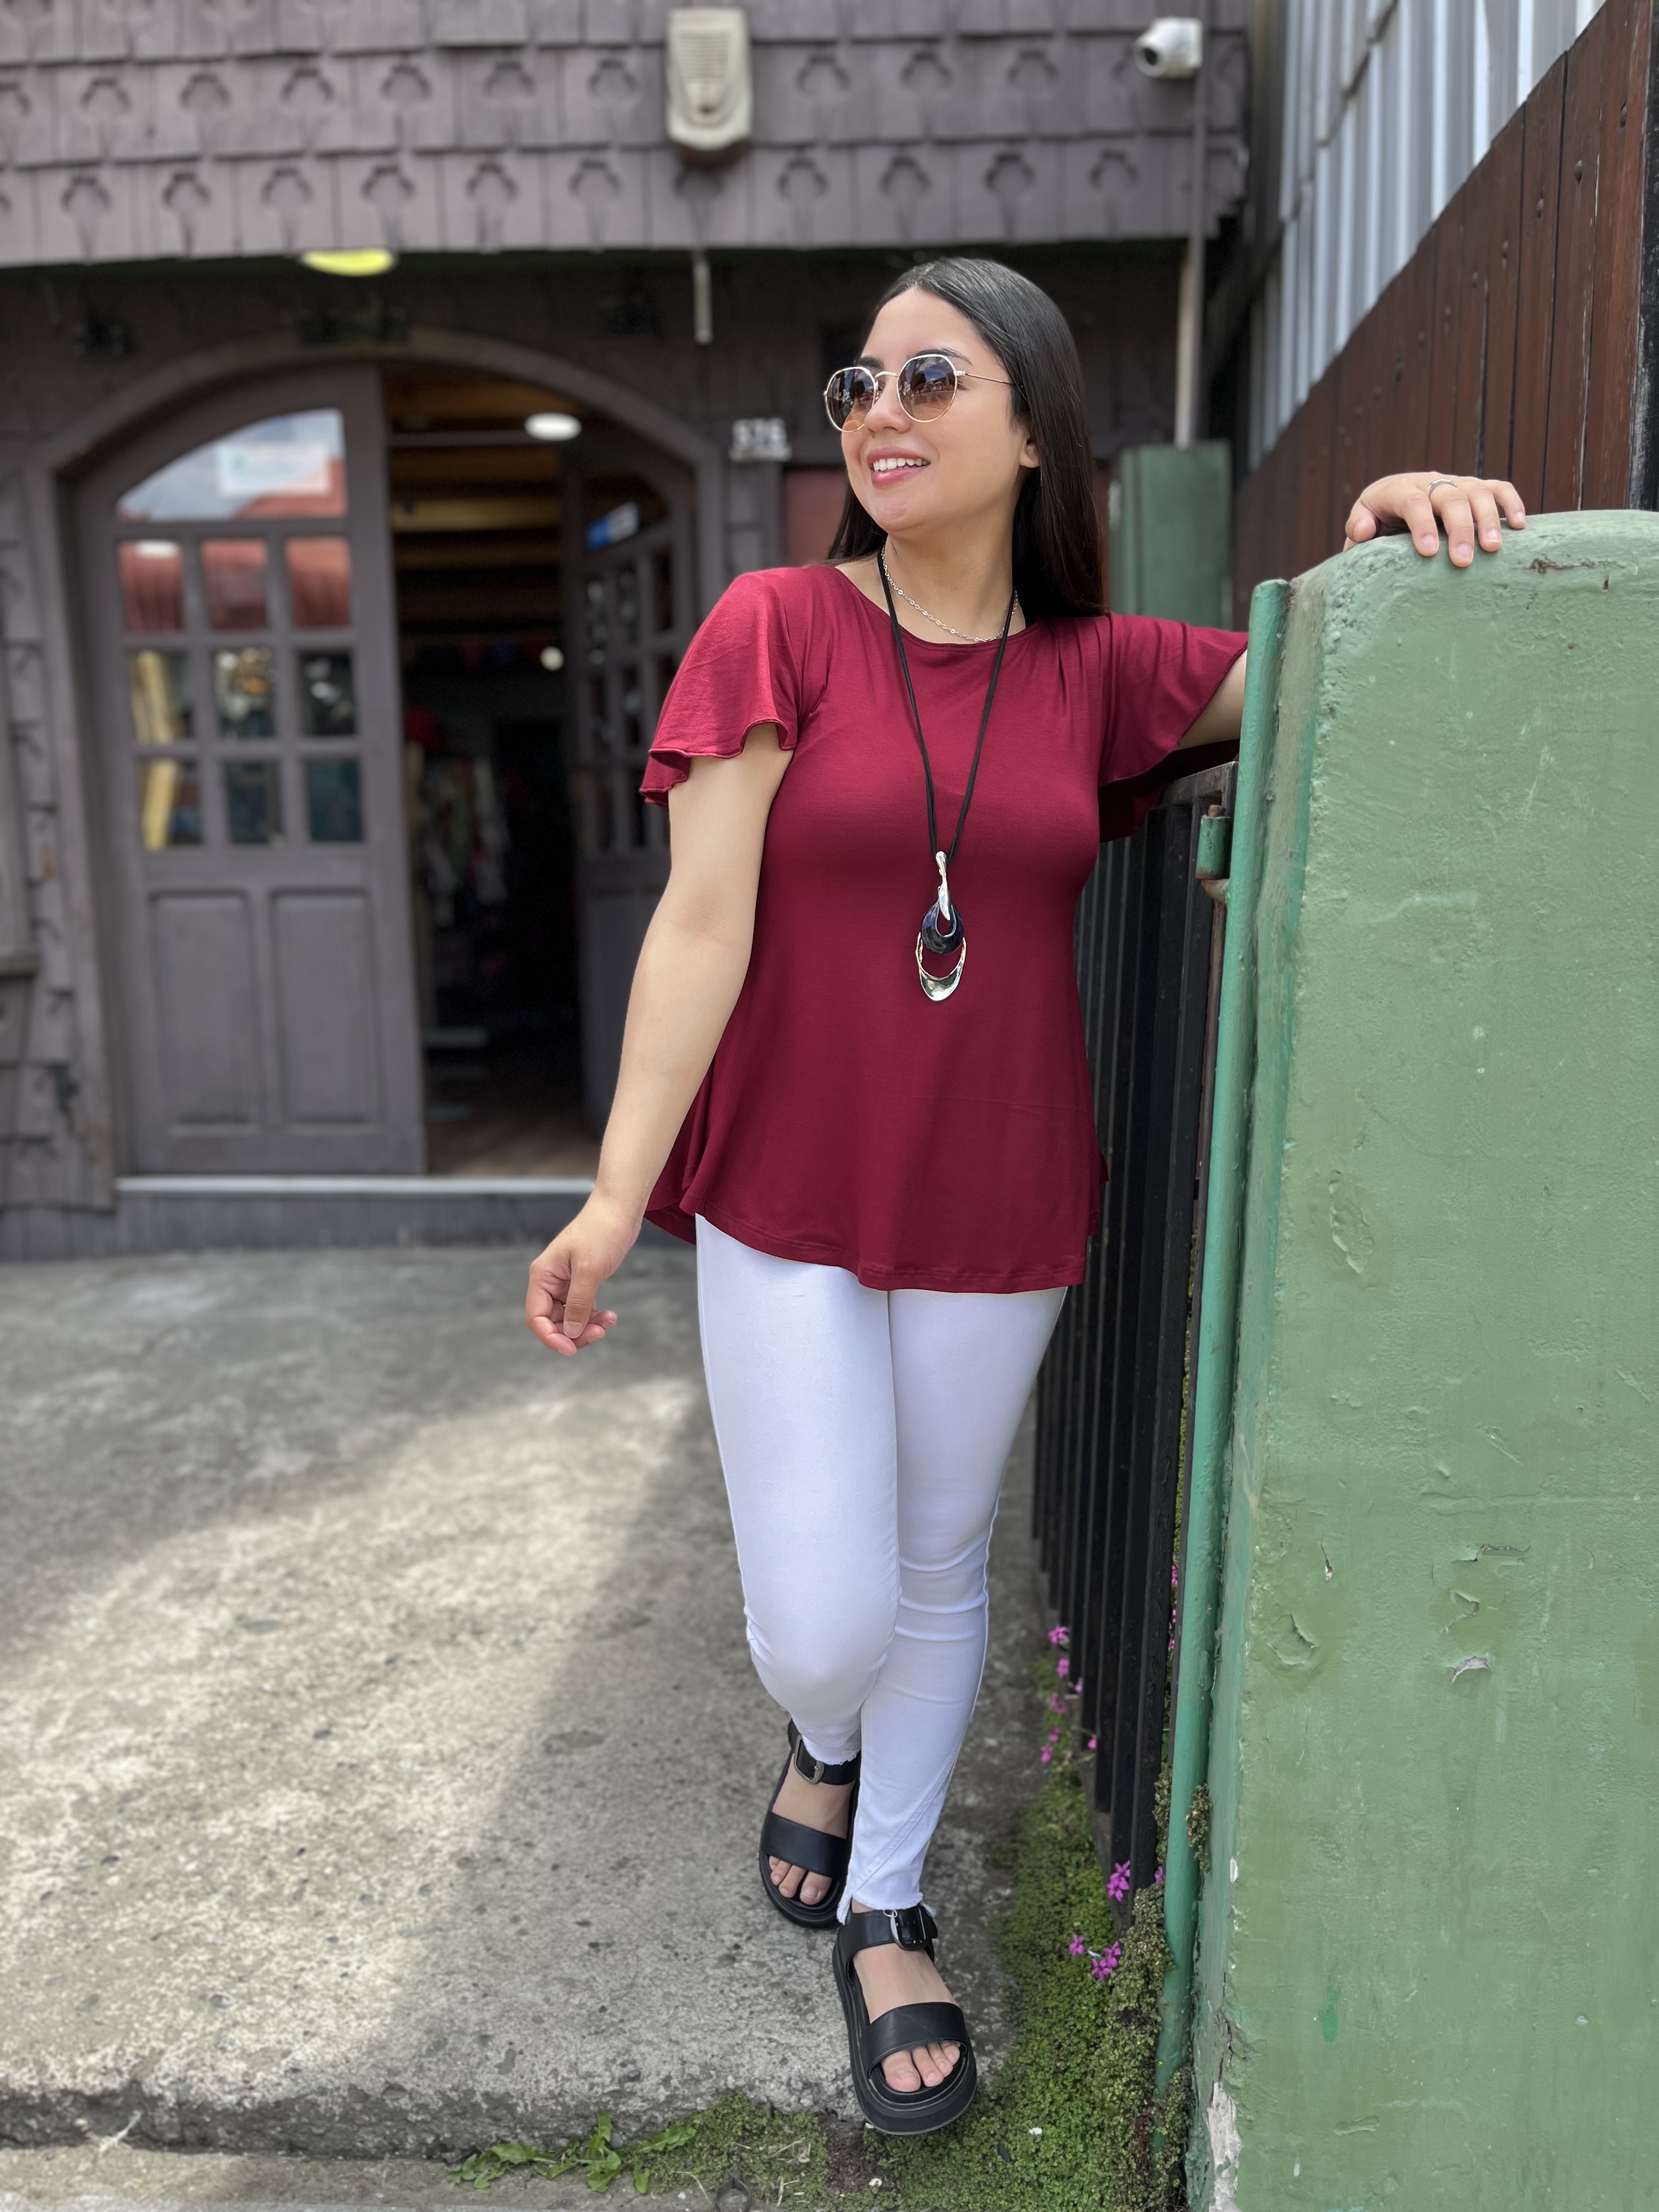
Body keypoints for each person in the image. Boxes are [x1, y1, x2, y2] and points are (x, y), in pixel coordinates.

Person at [525, 256, 1524, 2135]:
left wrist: (1390, 537)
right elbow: (702, 925)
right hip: (783, 1187)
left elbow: (1324, 667)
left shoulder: (1105, 672)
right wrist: (608, 1198)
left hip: (1000, 1190)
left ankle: (888, 1904)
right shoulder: (774, 626)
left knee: (936, 1560)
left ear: (1036, 427)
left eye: (931, 377)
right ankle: (821, 1733)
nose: (880, 413)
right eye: (859, 384)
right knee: (826, 1618)